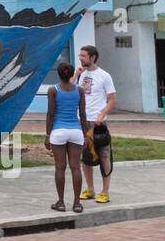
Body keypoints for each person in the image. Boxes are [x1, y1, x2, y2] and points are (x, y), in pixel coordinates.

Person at [73, 45, 117, 203]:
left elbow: (112, 99)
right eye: (80, 55)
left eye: (84, 56)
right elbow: (69, 90)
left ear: (93, 57)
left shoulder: (104, 76)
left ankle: (105, 191)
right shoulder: (80, 75)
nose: (80, 58)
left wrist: (102, 114)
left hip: (97, 122)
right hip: (82, 121)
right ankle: (90, 189)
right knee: (86, 157)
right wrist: (76, 75)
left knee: (104, 156)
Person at [45, 63, 89, 213]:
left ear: (58, 74)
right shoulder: (80, 90)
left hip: (58, 131)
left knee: (60, 168)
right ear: (71, 75)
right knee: (75, 167)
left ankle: (61, 202)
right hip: (76, 131)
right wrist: (85, 135)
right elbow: (83, 115)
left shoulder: (53, 90)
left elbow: (50, 114)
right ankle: (77, 203)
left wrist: (47, 135)